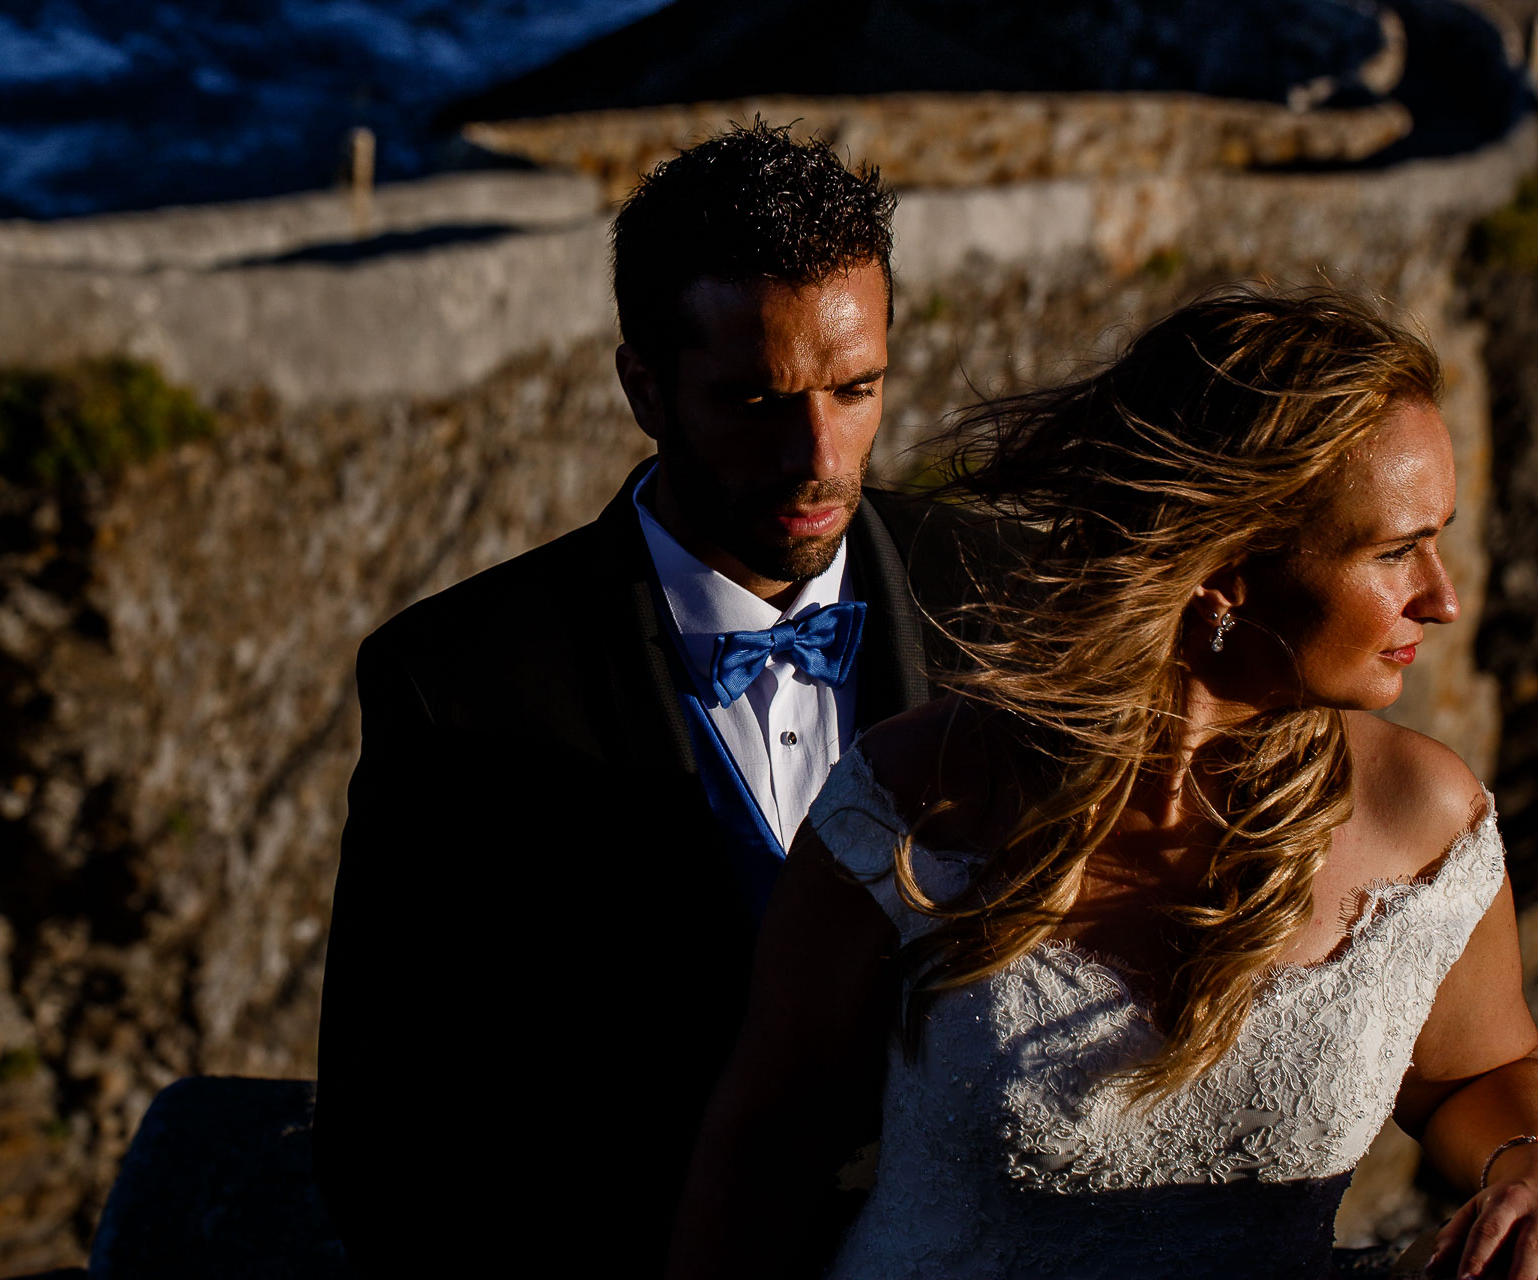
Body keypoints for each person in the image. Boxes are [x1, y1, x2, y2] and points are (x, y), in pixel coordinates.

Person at [666, 289, 1538, 1280]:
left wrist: (1529, 1168)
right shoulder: (916, 802)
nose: (1444, 594)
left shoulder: (1424, 823)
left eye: (1437, 539)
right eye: (1393, 550)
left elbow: (1483, 1073)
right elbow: (763, 1156)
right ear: (1226, 565)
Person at [314, 123, 1002, 1276]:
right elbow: (391, 1135)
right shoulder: (456, 681)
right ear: (645, 386)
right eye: (753, 400)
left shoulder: (1011, 593)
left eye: (857, 387)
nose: (819, 454)